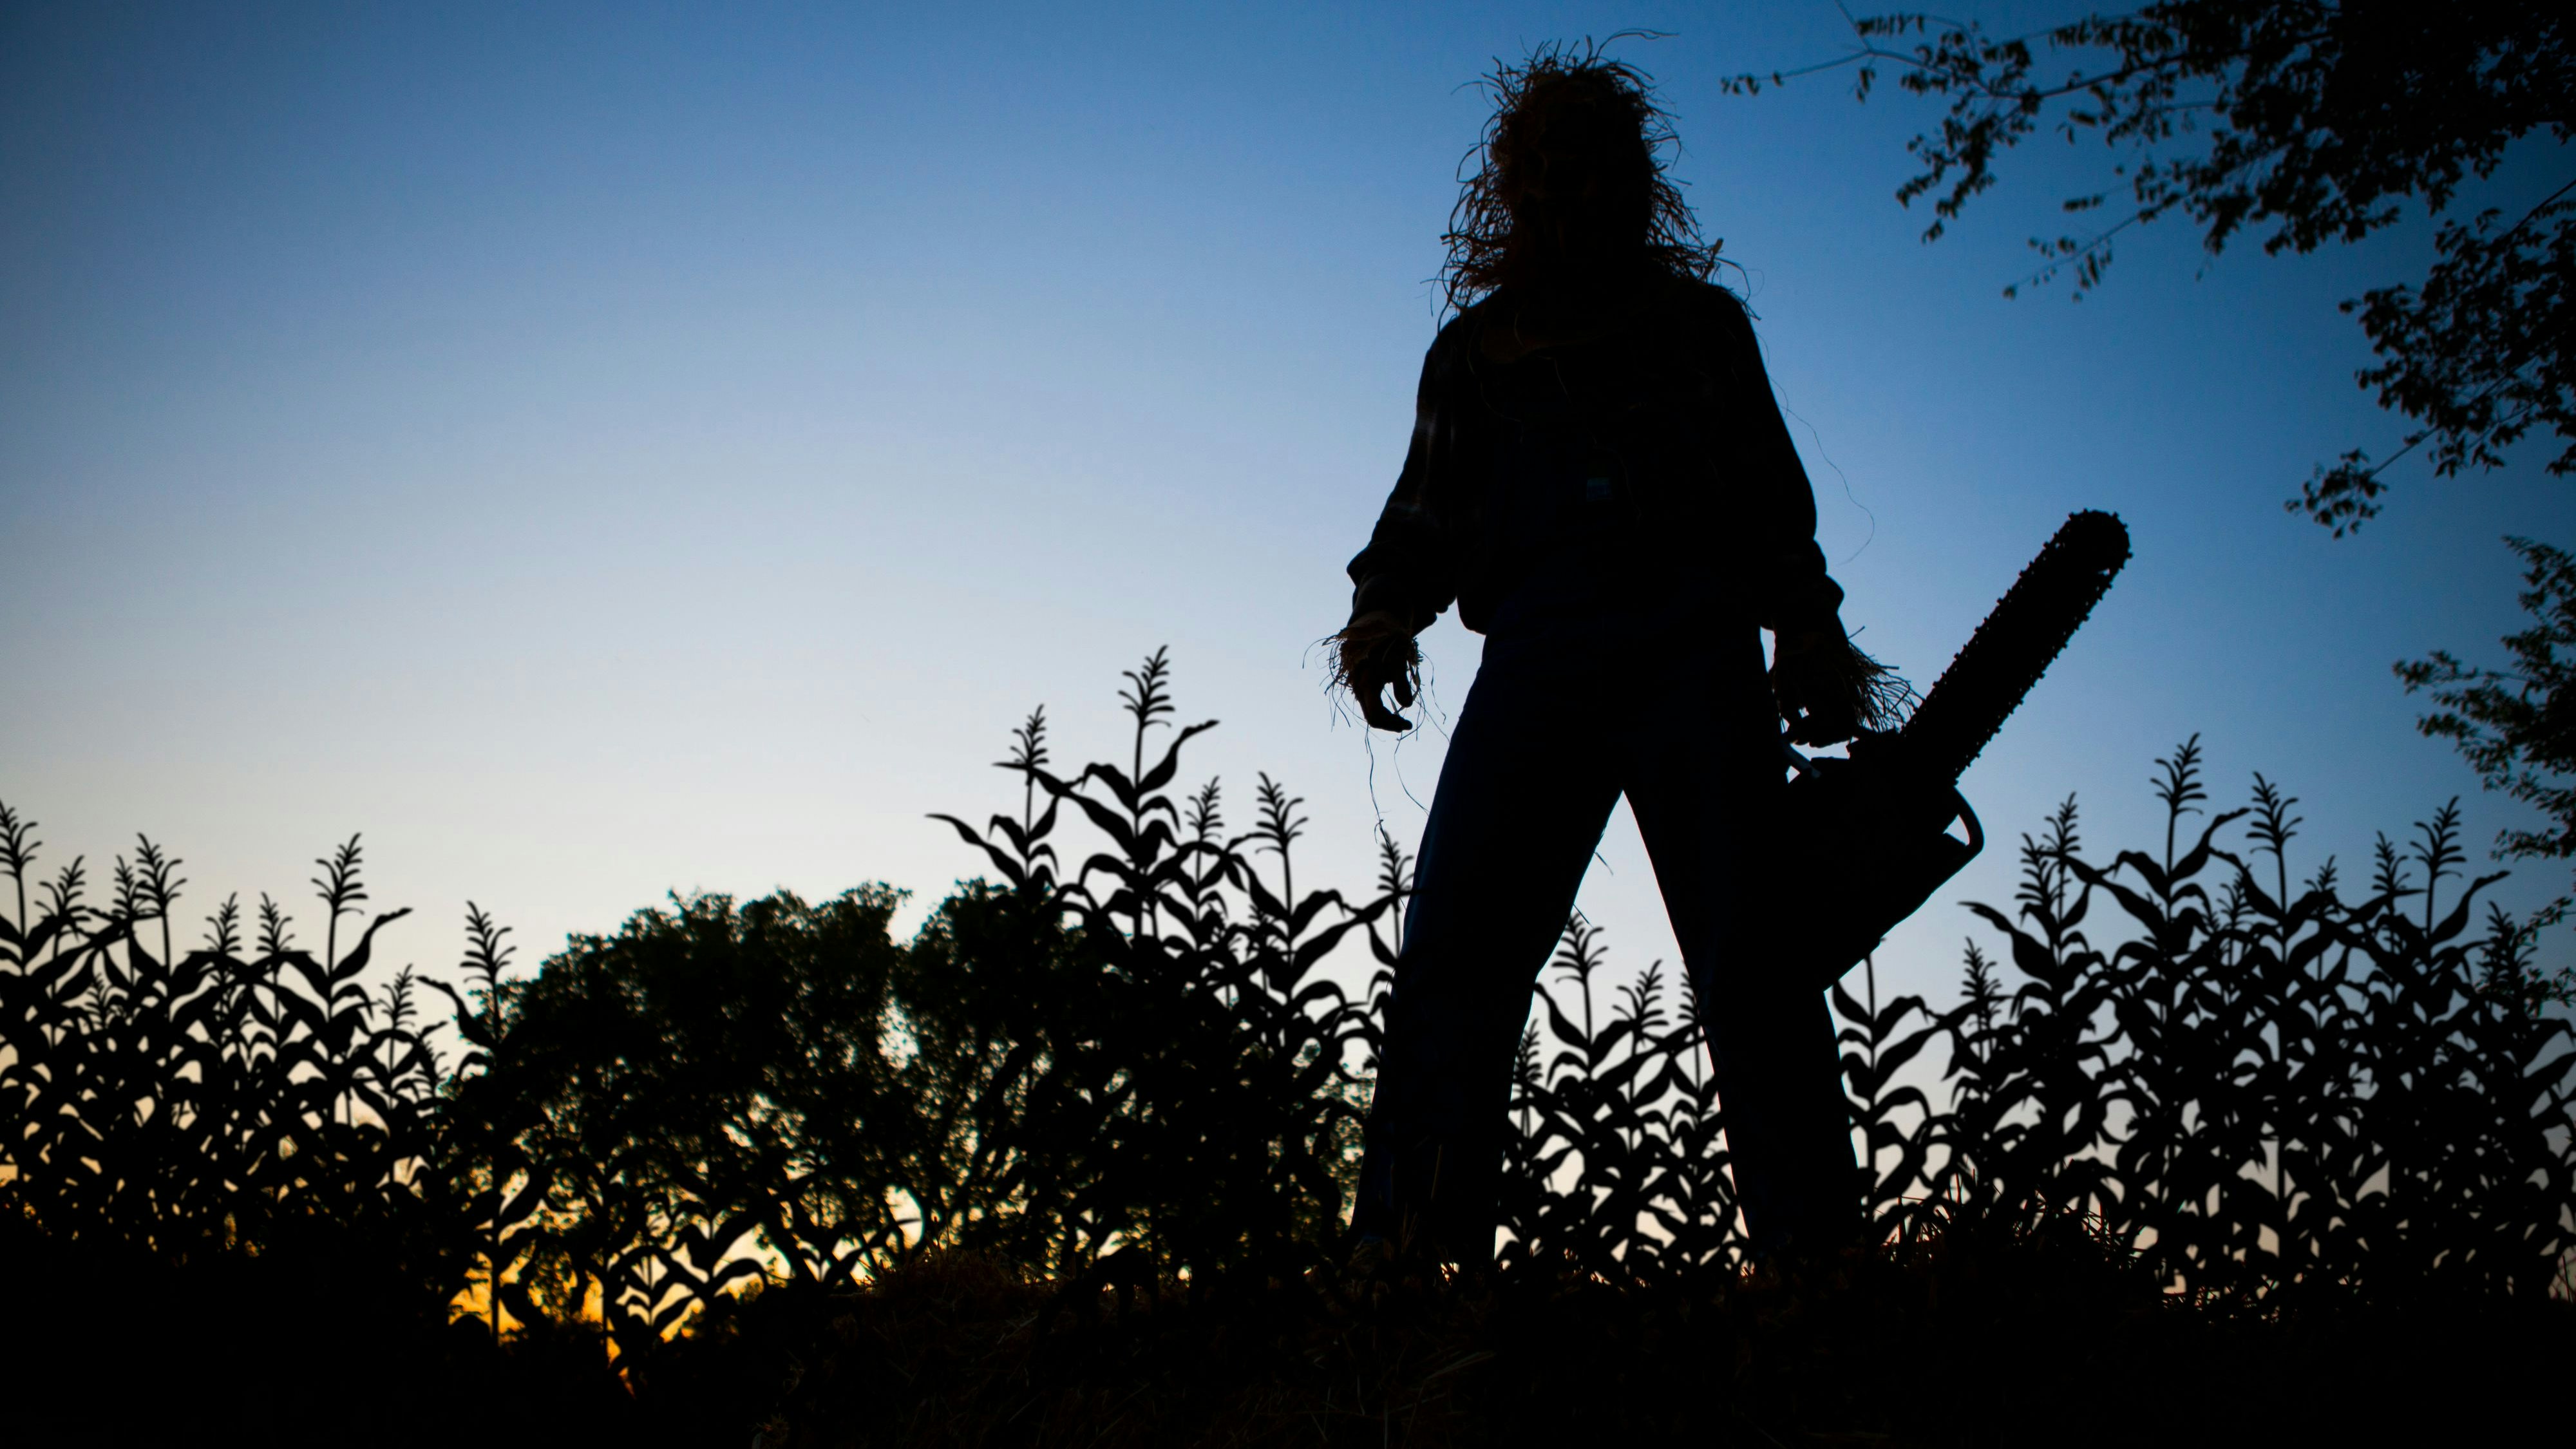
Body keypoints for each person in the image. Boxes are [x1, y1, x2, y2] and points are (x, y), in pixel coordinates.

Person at [1336, 50, 1887, 1265]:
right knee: (1456, 964)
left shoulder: (1699, 329)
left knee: (1758, 973)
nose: (1573, 198)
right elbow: (1425, 512)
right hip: (1535, 657)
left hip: (1697, 652)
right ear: (1519, 190)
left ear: (1635, 185)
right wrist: (1384, 611)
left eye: (1597, 172)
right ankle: (1410, 1287)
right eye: (1551, 175)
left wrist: (1806, 625)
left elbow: (1767, 500)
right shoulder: (1477, 354)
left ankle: (1822, 1287)